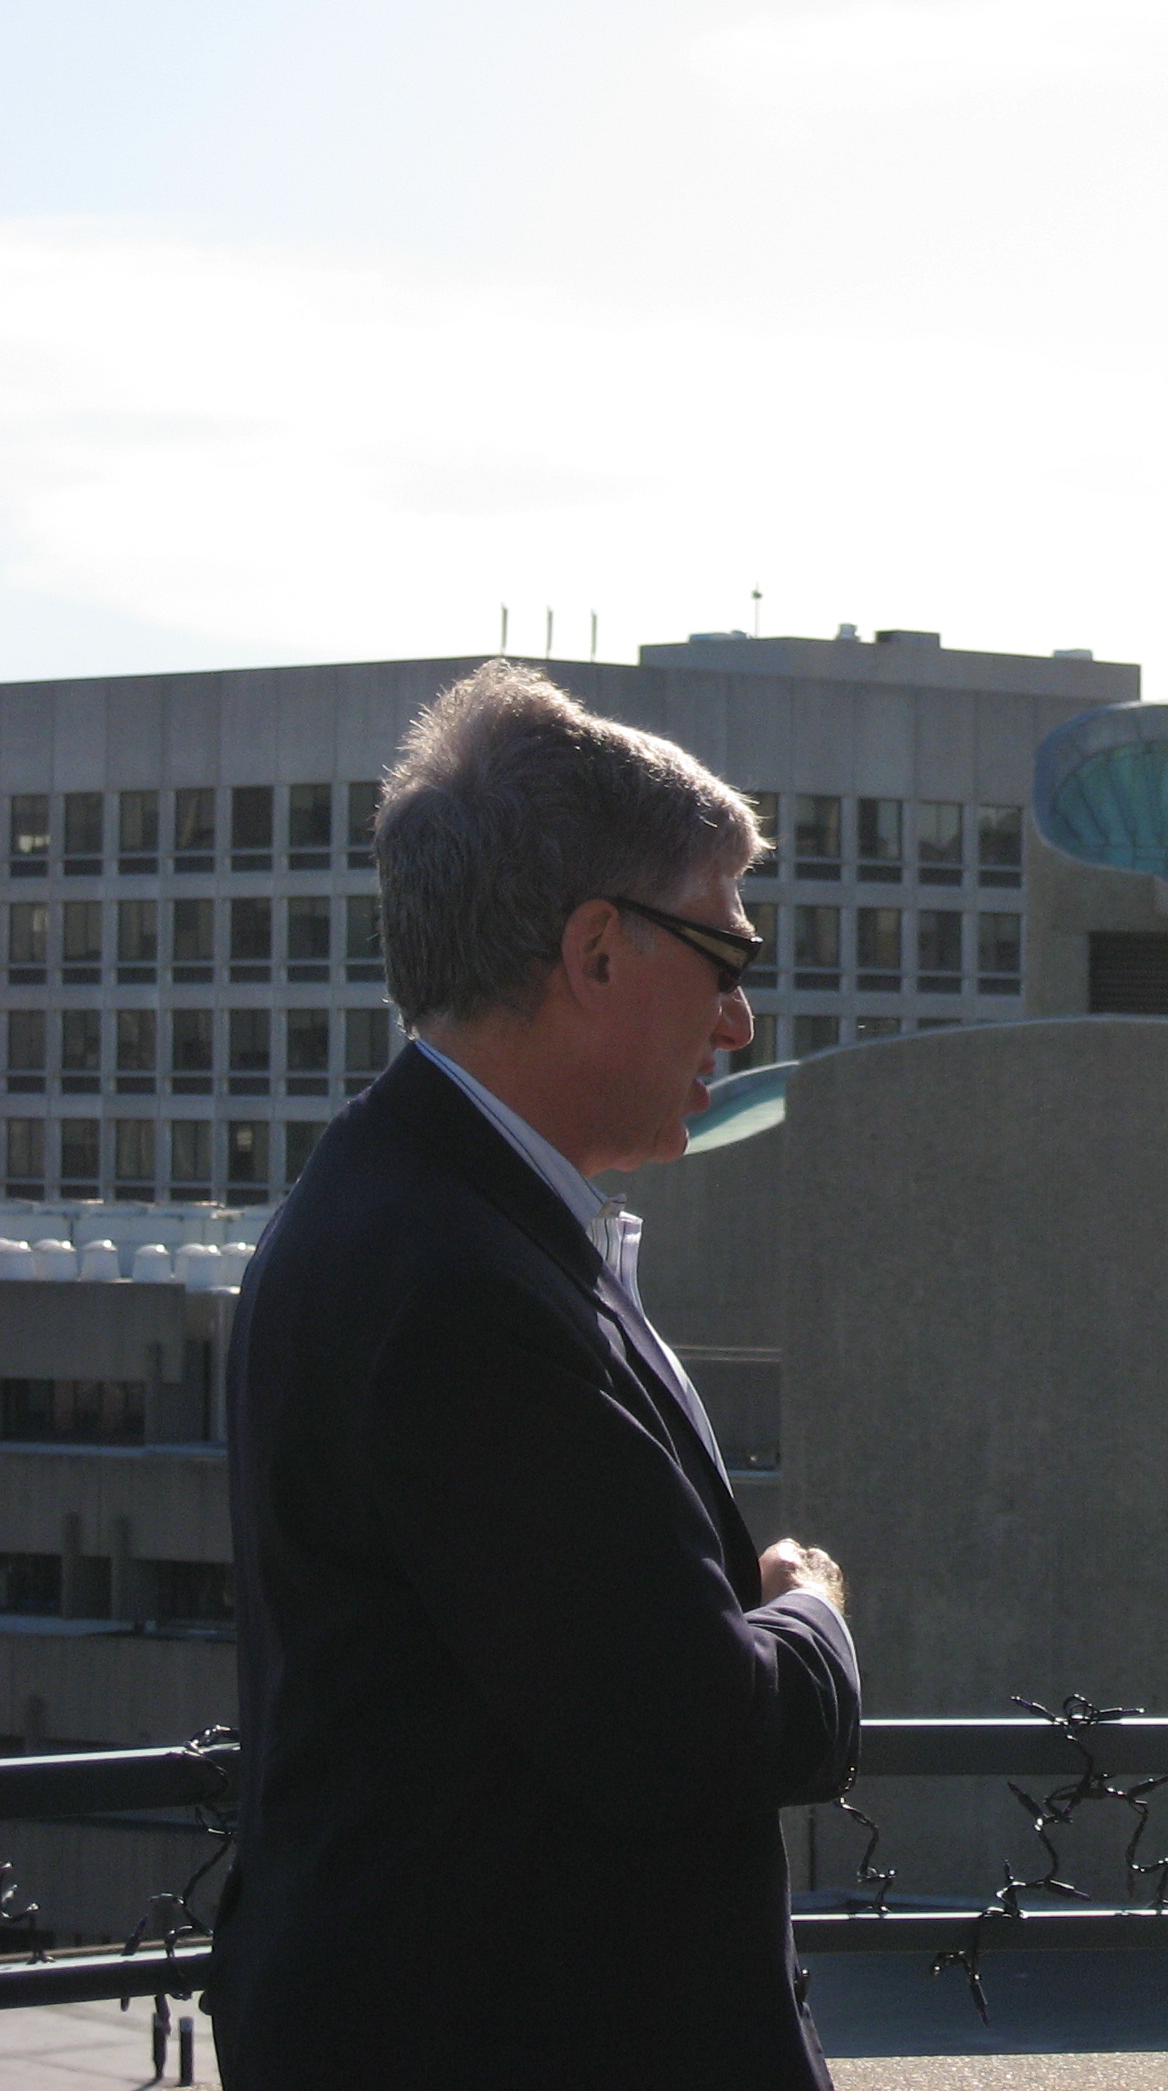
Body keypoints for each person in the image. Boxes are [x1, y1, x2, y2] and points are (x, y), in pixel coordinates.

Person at [213, 664, 863, 2090]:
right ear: (599, 952)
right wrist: (813, 1615)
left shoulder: (402, 1211)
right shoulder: (458, 1287)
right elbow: (688, 1731)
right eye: (727, 956)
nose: (741, 1020)